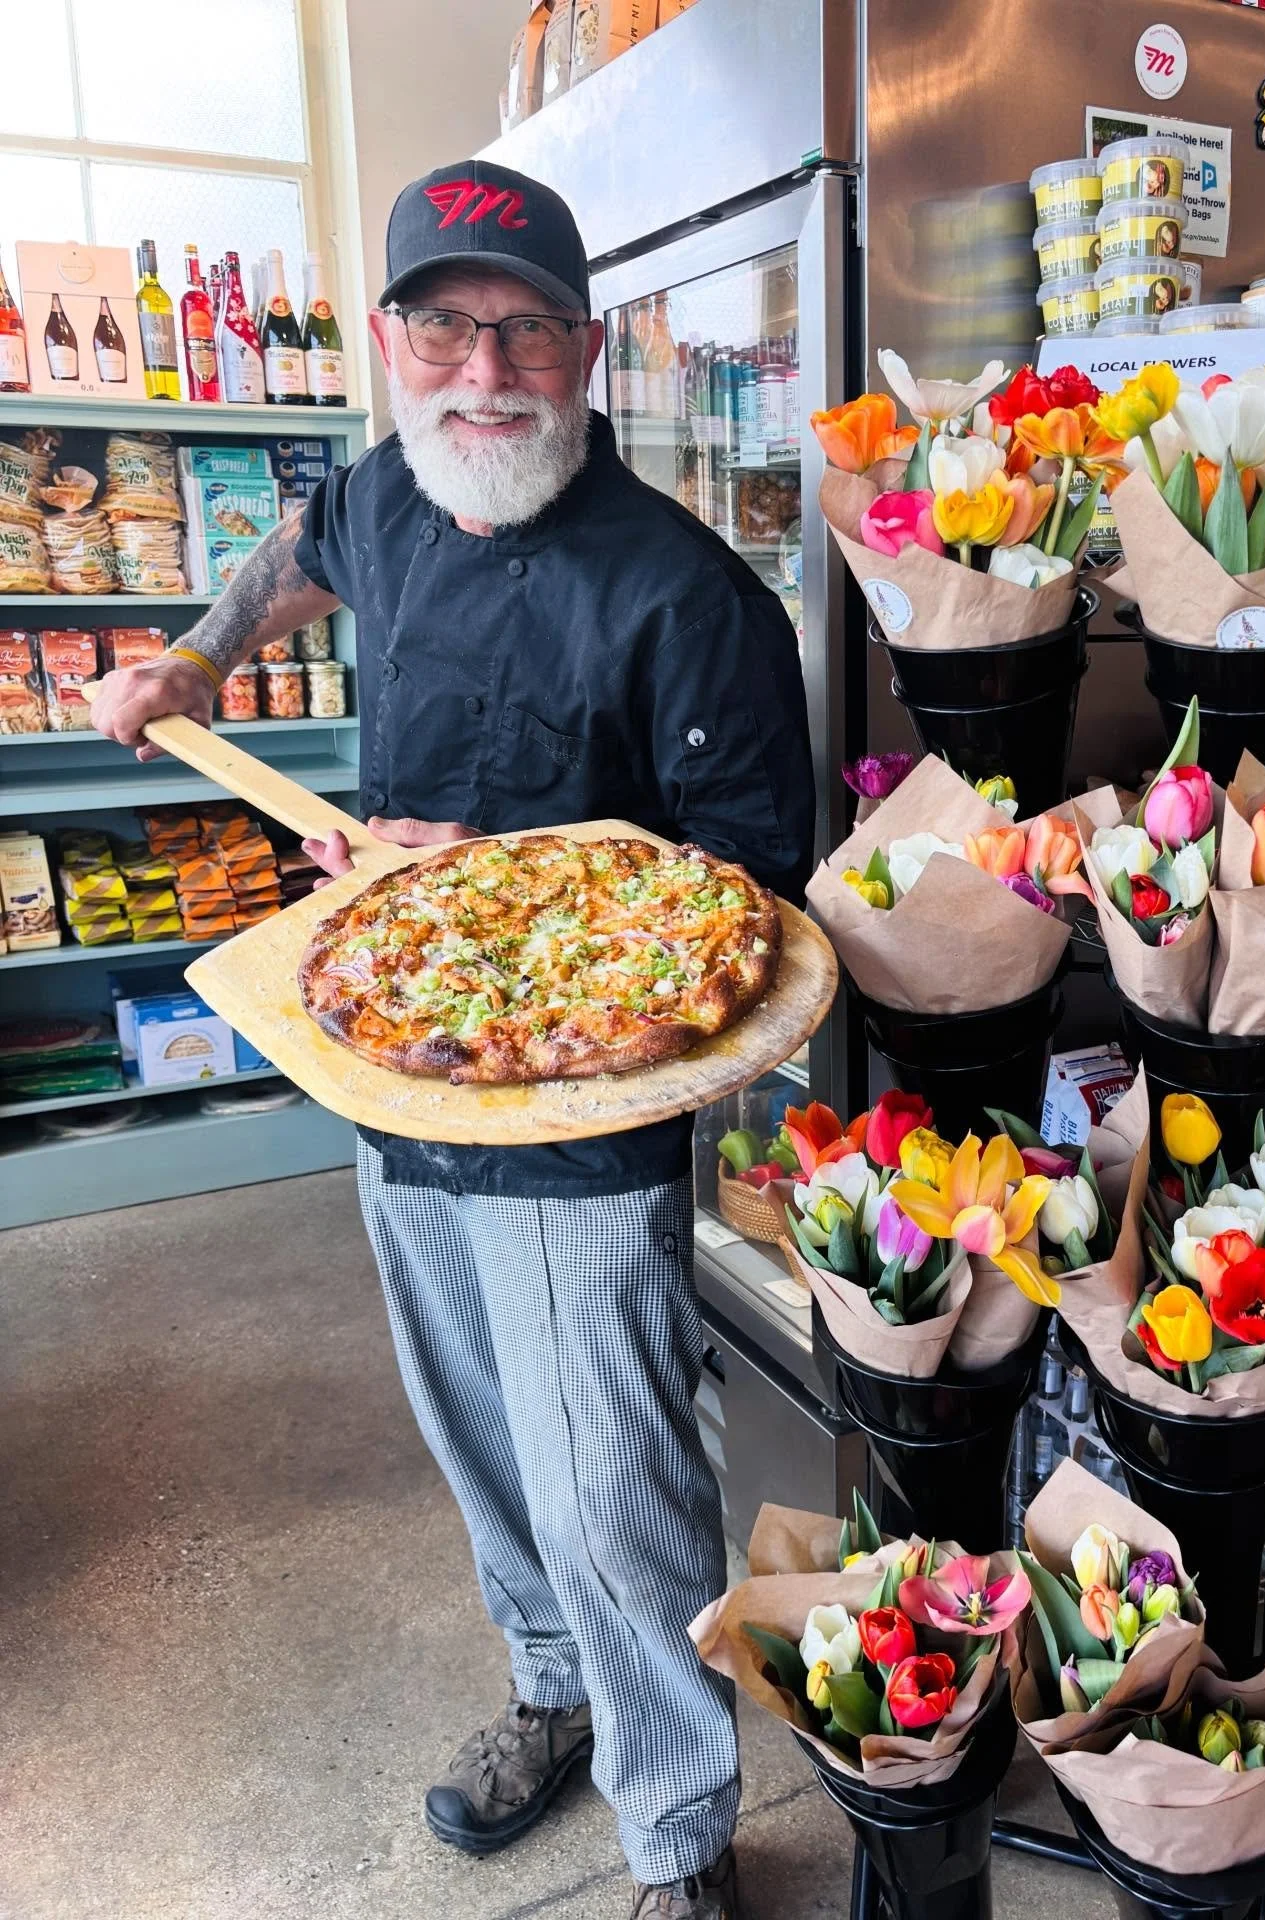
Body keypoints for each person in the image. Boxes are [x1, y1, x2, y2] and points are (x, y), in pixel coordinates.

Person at [89, 158, 815, 1920]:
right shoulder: (393, 495)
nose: (482, 368)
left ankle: (677, 1842)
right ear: (396, 341)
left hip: (582, 1109)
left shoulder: (690, 594)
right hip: (391, 1068)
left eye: (525, 330)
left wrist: (505, 893)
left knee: (614, 1483)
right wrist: (195, 660)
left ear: (584, 348)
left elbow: (756, 895)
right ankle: (553, 1694)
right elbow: (297, 553)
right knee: (479, 1431)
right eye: (442, 324)